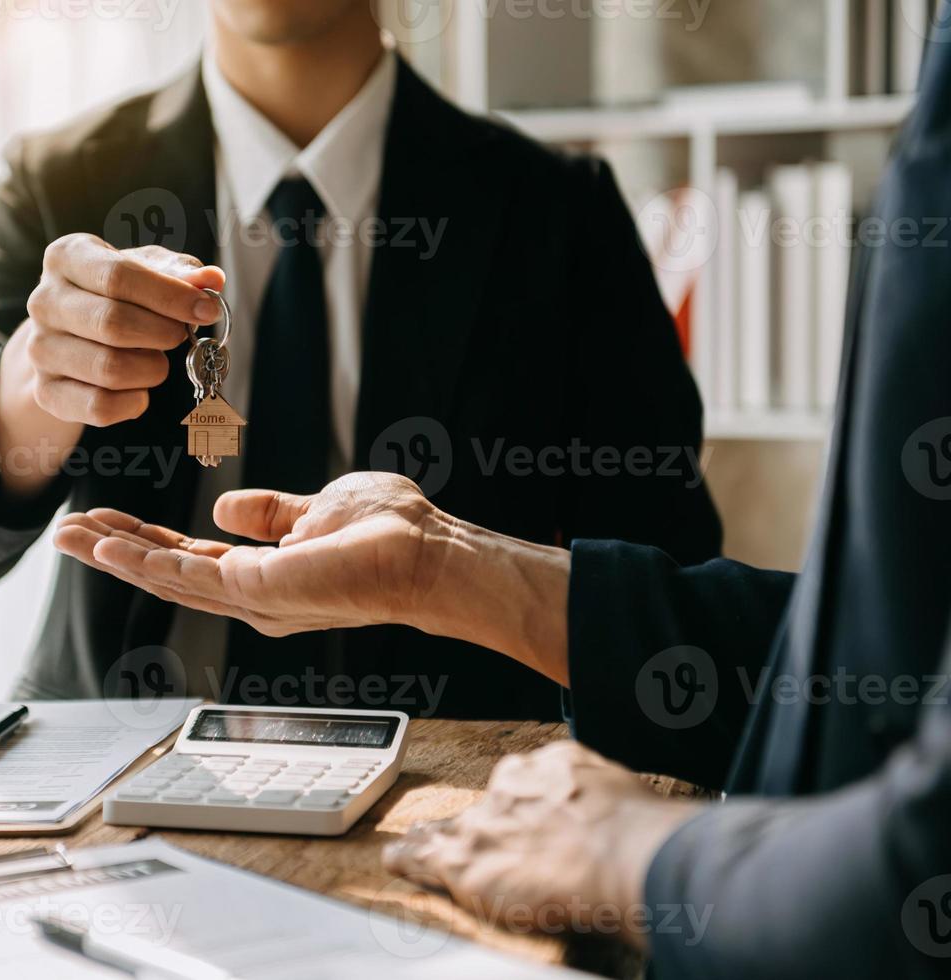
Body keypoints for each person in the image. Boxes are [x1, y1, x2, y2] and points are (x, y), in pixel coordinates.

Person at [52, 30, 951, 980]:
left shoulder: (554, 203)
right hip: (124, 818)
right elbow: (871, 656)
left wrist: (647, 856)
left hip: (451, 830)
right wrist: (442, 563)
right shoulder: (68, 172)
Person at [0, 0, 721, 719]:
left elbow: (662, 580)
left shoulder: (556, 214)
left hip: (444, 790)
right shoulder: (60, 181)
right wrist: (37, 380)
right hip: (115, 793)